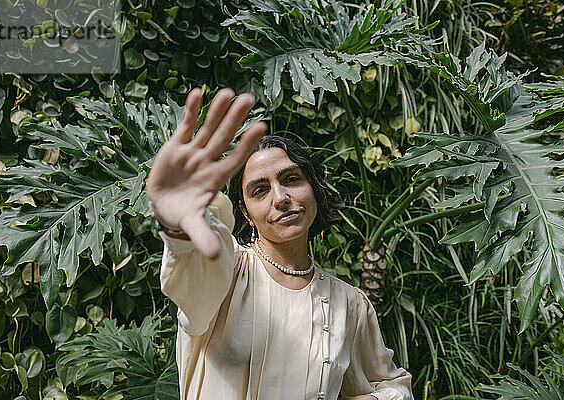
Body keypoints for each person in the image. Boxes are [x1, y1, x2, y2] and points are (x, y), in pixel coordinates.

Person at [146, 88, 413, 400]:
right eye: (260, 190)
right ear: (244, 211)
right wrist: (178, 227)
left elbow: (394, 388)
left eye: (291, 180)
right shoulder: (228, 270)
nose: (281, 198)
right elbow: (194, 275)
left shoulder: (350, 304)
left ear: (314, 188)